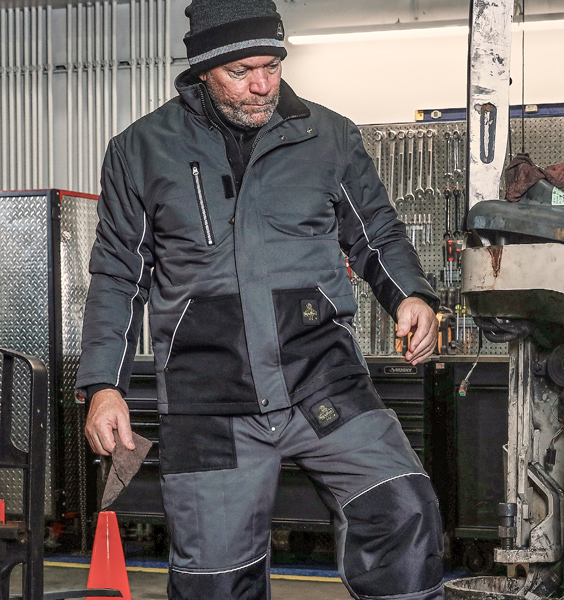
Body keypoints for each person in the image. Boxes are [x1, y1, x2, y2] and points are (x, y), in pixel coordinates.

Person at [76, 1, 444, 599]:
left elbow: (376, 230)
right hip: (208, 397)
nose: (263, 86)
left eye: (273, 65)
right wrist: (103, 385)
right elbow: (118, 275)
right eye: (242, 71)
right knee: (214, 581)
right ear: (202, 70)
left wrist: (412, 297)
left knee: (403, 511)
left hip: (321, 378)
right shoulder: (140, 149)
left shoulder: (327, 135)